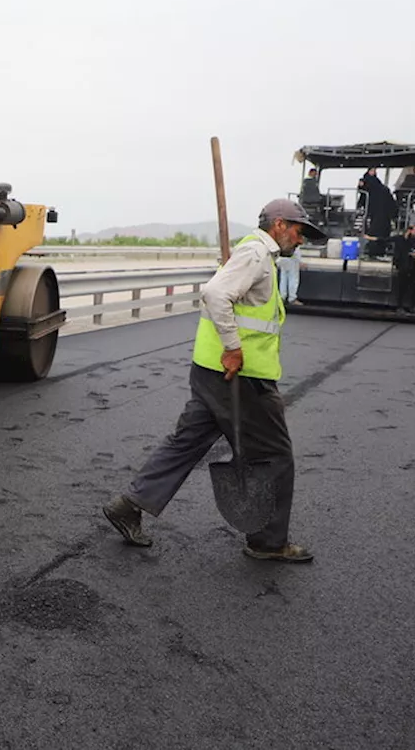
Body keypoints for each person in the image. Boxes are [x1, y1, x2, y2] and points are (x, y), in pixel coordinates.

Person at [101, 198, 326, 563]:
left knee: (185, 443)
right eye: (300, 232)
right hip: (240, 378)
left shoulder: (253, 254)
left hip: (209, 372)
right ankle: (268, 542)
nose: (301, 240)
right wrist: (234, 349)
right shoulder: (256, 254)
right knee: (274, 455)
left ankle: (129, 505)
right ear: (280, 225)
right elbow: (215, 294)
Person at [365, 225, 415, 312]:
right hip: (402, 265)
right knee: (401, 287)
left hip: (411, 265)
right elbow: (385, 240)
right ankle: (400, 306)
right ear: (409, 230)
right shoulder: (398, 238)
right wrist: (371, 238)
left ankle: (413, 307)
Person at [358, 169, 396, 257]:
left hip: (378, 211)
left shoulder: (381, 188)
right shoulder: (370, 183)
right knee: (377, 228)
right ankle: (374, 251)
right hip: (376, 211)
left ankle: (376, 251)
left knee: (379, 229)